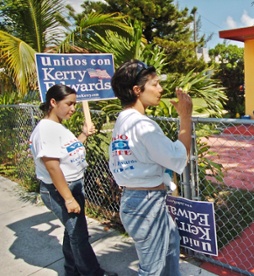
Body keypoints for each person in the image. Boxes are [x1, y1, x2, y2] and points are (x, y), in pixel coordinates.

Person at [108, 60, 192, 275]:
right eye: (154, 84)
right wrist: (185, 117)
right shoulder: (142, 125)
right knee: (151, 269)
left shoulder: (123, 120)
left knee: (171, 241)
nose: (160, 89)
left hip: (139, 200)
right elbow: (178, 157)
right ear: (137, 90)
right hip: (146, 204)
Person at [29, 84, 117, 276]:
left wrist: (84, 135)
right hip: (59, 190)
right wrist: (68, 199)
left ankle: (72, 270)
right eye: (69, 104)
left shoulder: (56, 127)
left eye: (75, 104)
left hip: (72, 186)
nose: (73, 108)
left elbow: (68, 151)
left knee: (73, 233)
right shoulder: (46, 131)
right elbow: (53, 168)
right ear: (53, 102)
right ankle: (92, 273)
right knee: (79, 235)